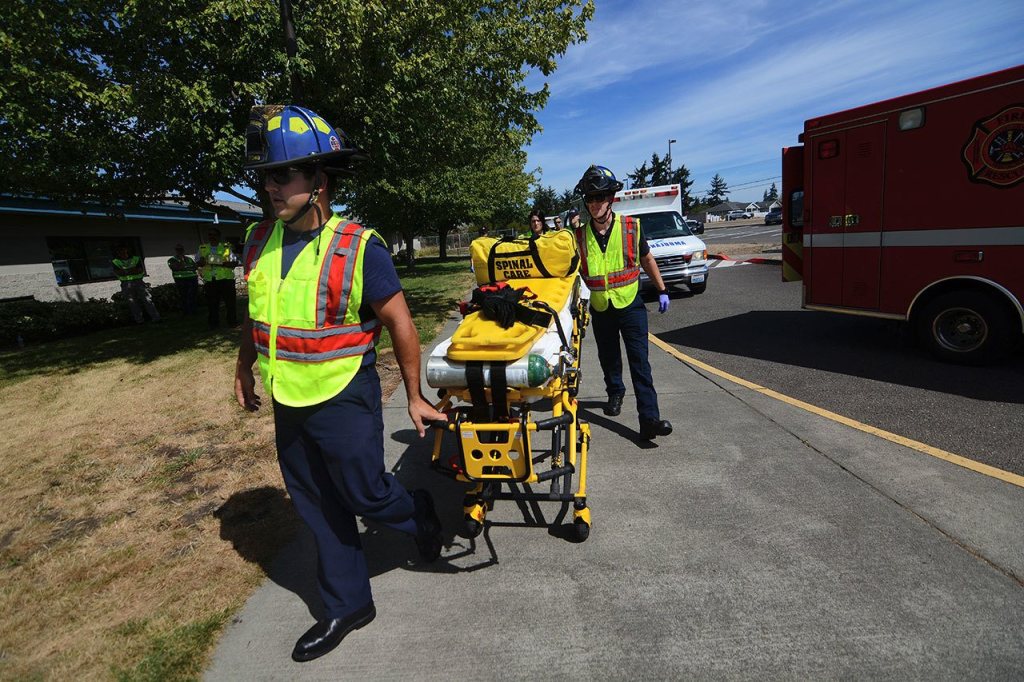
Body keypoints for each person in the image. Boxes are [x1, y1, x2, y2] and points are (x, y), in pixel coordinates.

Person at [234, 104, 448, 663]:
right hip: (288, 397)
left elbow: (400, 321)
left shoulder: (359, 245)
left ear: (318, 181)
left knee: (364, 493)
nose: (271, 188)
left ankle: (416, 511)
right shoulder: (259, 240)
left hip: (344, 395)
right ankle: (347, 604)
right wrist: (243, 367)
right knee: (315, 504)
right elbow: (259, 312)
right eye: (265, 177)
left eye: (283, 175)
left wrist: (416, 395)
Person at [572, 165, 672, 441]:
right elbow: (574, 273)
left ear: (611, 199)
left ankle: (649, 419)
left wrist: (662, 290)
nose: (594, 204)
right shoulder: (579, 237)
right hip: (601, 308)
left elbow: (647, 259)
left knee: (640, 362)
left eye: (600, 197)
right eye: (590, 198)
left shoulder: (631, 227)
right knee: (609, 358)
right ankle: (615, 392)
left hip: (631, 306)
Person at [197, 227, 240, 328]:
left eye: (214, 235)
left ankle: (232, 322)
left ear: (219, 236)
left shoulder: (226, 247)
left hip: (226, 280)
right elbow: (198, 263)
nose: (212, 237)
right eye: (210, 235)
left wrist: (217, 261)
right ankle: (213, 324)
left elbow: (234, 263)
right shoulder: (203, 248)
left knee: (230, 304)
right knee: (212, 304)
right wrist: (202, 262)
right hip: (211, 281)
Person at [111, 244, 160, 323]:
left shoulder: (136, 259)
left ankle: (156, 318)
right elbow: (119, 273)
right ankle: (139, 320)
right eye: (120, 251)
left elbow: (140, 270)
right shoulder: (115, 261)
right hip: (125, 284)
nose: (122, 252)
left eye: (124, 250)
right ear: (117, 252)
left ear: (127, 250)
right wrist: (131, 270)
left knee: (147, 300)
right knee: (132, 302)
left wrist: (125, 271)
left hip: (138, 282)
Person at [167, 244, 199, 315]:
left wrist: (185, 267)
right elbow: (177, 268)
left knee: (193, 295)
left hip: (192, 278)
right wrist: (182, 262)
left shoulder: (189, 259)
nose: (180, 251)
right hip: (181, 280)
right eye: (178, 249)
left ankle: (194, 311)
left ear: (183, 250)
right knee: (184, 295)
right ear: (176, 251)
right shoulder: (172, 259)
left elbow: (195, 267)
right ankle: (187, 311)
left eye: (181, 249)